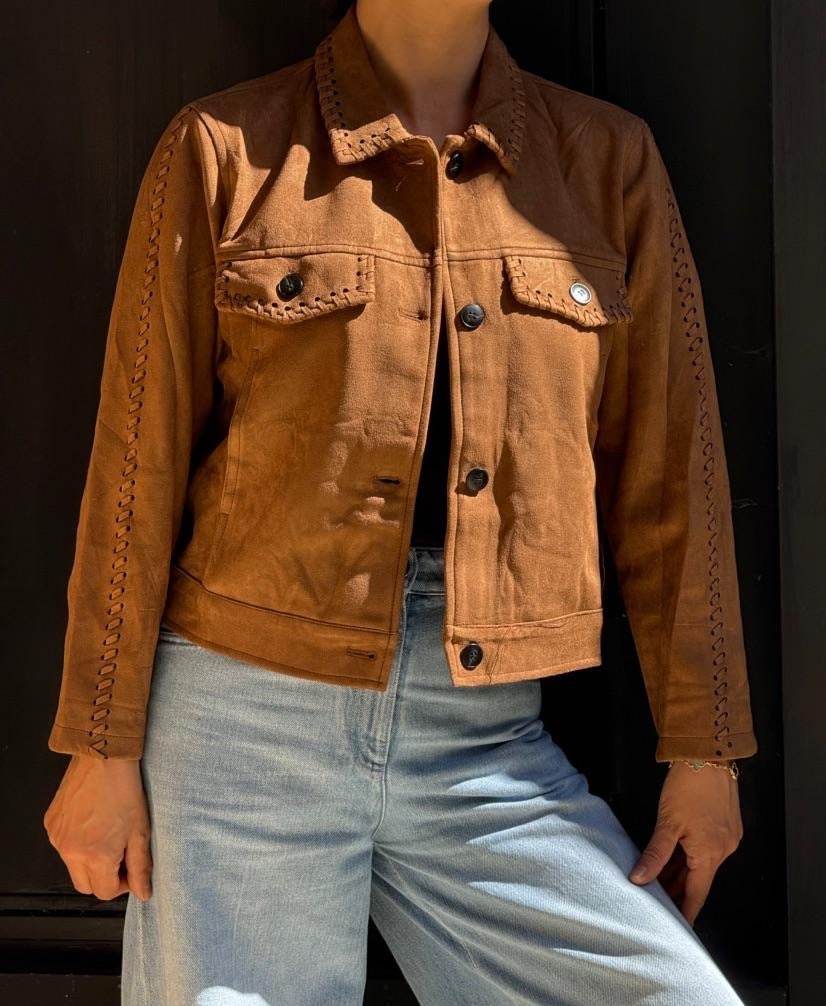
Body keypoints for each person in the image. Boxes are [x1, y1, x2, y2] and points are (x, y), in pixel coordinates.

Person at [43, 0, 759, 1002]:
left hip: (486, 742)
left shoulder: (606, 160)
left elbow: (672, 478)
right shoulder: (223, 146)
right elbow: (135, 466)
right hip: (242, 728)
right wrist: (100, 743)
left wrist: (705, 750)